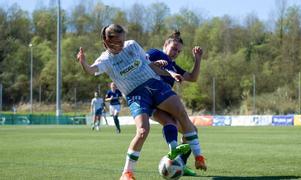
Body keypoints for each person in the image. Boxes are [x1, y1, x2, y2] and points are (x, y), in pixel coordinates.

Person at [76, 24, 206, 180]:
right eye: (118, 42)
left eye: (123, 40)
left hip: (154, 85)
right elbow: (91, 70)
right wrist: (83, 62)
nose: (122, 45)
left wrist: (171, 73)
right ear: (106, 42)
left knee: (181, 116)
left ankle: (194, 157)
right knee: (143, 131)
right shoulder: (106, 60)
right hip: (135, 95)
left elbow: (149, 65)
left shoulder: (131, 45)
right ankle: (127, 173)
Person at [146, 30, 203, 176]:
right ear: (165, 45)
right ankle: (182, 158)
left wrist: (197, 59)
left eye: (178, 51)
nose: (175, 52)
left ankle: (180, 164)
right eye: (173, 49)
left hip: (164, 102)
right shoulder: (156, 53)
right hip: (151, 98)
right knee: (178, 124)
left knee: (191, 131)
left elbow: (192, 78)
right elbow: (143, 63)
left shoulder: (173, 65)